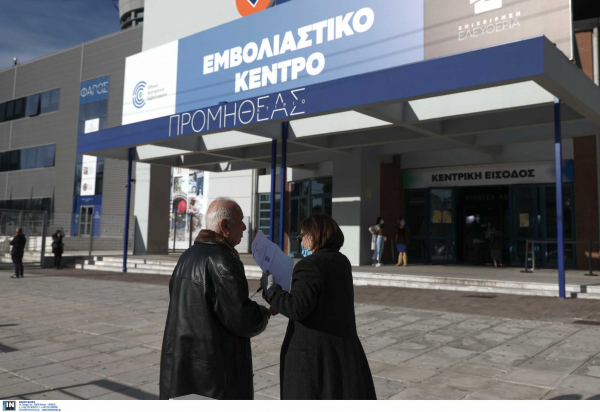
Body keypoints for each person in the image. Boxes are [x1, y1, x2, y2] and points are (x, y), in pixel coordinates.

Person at [159, 198, 272, 400]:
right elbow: (243, 319)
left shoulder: (187, 256)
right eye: (240, 221)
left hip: (183, 367)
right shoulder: (224, 260)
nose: (244, 227)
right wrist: (265, 312)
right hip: (215, 376)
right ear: (225, 226)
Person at [261, 213, 377, 400]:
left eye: (302, 236)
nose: (300, 242)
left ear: (313, 236)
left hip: (314, 357)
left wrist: (271, 289)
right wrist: (282, 300)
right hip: (339, 350)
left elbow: (297, 308)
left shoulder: (309, 265)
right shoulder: (341, 261)